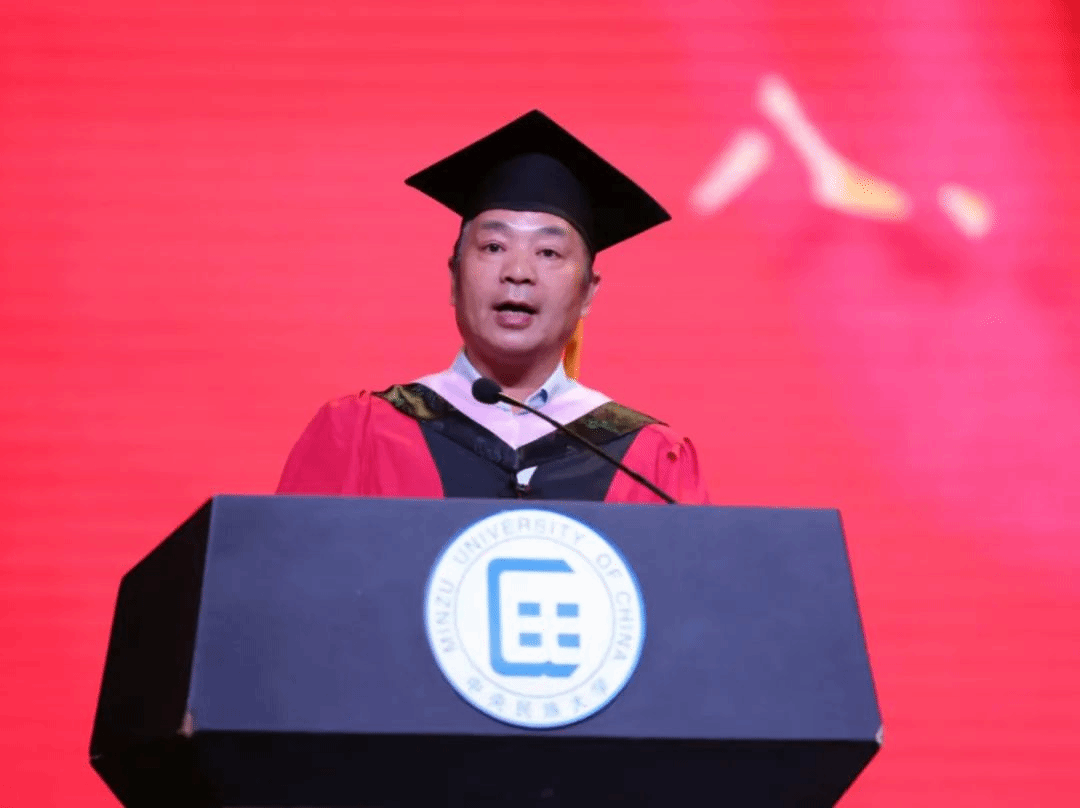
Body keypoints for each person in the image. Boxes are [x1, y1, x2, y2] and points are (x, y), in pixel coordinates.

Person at [276, 111, 709, 504]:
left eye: (548, 252)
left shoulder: (648, 460)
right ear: (454, 278)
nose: (518, 272)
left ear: (588, 294)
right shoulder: (362, 434)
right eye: (494, 247)